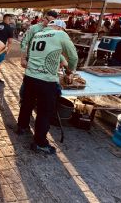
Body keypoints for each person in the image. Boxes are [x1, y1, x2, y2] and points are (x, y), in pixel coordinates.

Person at [18, 19, 78, 154]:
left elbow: (49, 53)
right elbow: (73, 57)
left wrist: (62, 61)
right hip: (46, 81)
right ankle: (40, 143)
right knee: (44, 112)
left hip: (30, 77)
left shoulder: (38, 34)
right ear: (60, 28)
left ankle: (21, 126)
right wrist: (70, 71)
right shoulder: (60, 34)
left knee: (27, 103)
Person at [0, 14, 14, 82]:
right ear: (9, 19)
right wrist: (8, 49)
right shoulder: (9, 28)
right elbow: (10, 41)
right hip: (1, 47)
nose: (11, 20)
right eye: (10, 19)